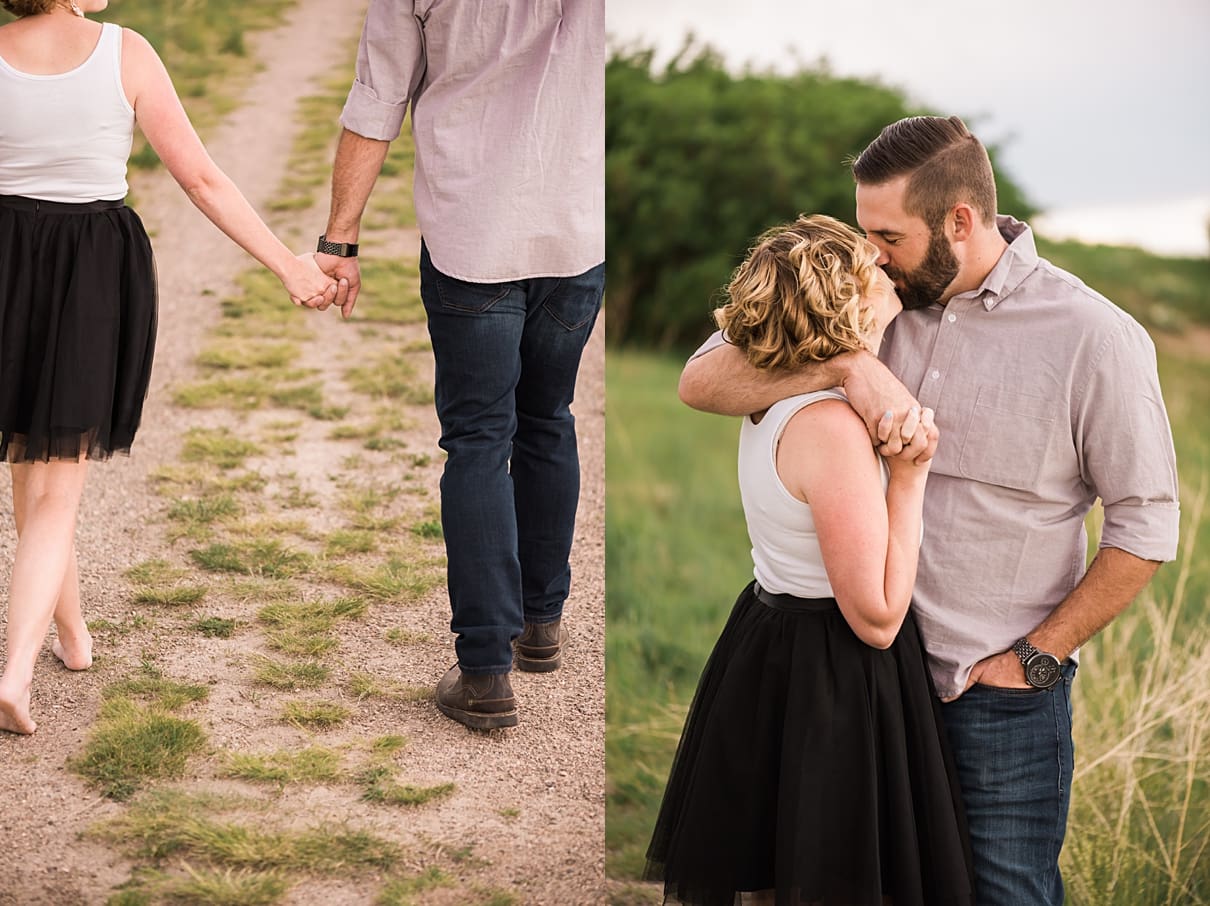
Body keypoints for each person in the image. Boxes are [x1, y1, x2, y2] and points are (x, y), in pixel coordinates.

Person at [678, 116, 1180, 905]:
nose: (870, 253)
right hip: (869, 687)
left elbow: (1147, 528)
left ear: (960, 221)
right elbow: (701, 381)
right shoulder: (872, 302)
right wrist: (848, 364)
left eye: (887, 235)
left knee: (1004, 894)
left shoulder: (1096, 339)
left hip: (995, 701)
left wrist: (1036, 658)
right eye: (863, 231)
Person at [0, 0, 338, 735]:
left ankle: (73, 638)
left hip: (6, 264)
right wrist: (287, 265)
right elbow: (202, 181)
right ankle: (15, 672)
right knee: (57, 488)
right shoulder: (125, 52)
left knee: (31, 463)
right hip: (89, 268)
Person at [645, 214, 973, 906]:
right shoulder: (828, 426)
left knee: (777, 865)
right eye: (871, 270)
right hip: (834, 670)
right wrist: (911, 478)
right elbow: (879, 619)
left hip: (773, 640)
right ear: (846, 304)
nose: (886, 270)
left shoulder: (775, 397)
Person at [312, 0, 605, 729]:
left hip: (472, 236)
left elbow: (378, 95)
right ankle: (539, 624)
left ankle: (484, 673)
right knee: (548, 418)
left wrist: (340, 237)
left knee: (479, 438)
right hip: (577, 232)